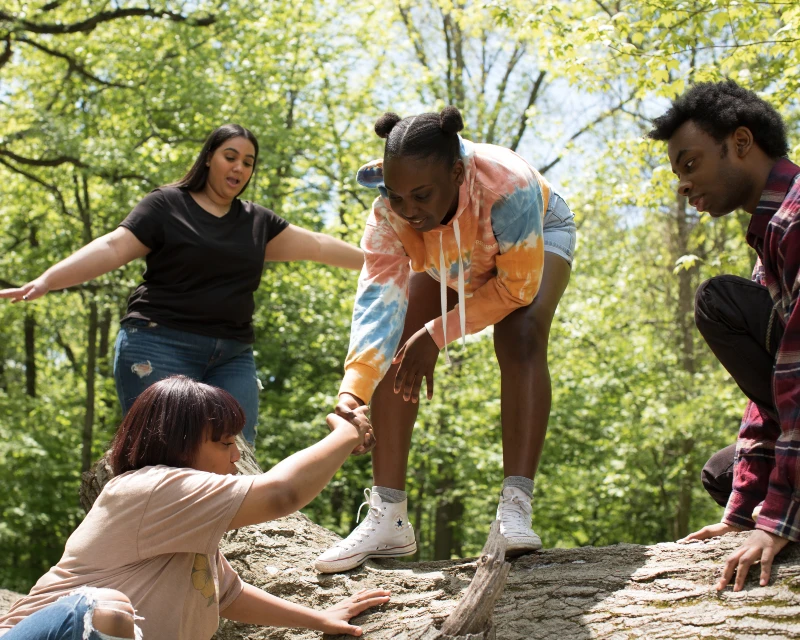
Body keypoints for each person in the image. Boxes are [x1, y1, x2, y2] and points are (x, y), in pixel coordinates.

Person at [314, 106, 576, 573]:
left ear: (456, 172)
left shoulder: (507, 188)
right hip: (448, 252)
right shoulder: (392, 213)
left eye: (420, 194)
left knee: (521, 334)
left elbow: (516, 288)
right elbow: (377, 303)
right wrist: (351, 392)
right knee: (397, 343)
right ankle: (389, 516)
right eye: (397, 195)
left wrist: (438, 333)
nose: (408, 209)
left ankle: (515, 508)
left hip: (530, 234)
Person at [0, 124, 363, 444]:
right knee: (169, 452)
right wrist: (47, 280)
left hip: (232, 355)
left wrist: (386, 264)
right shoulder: (166, 206)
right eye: (230, 156)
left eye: (248, 162)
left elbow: (317, 244)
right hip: (159, 345)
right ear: (208, 158)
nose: (239, 167)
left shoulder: (257, 222)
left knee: (236, 454)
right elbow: (112, 246)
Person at [0, 375, 387, 639]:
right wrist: (346, 433)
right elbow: (282, 494)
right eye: (223, 443)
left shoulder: (183, 529)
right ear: (178, 443)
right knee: (107, 609)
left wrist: (320, 619)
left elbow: (226, 595)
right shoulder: (149, 488)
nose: (236, 456)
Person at [648, 79, 798, 591]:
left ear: (740, 142)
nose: (683, 185)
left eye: (690, 164)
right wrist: (742, 515)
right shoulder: (770, 243)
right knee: (724, 473)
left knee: (717, 299)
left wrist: (776, 520)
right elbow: (772, 387)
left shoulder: (795, 222)